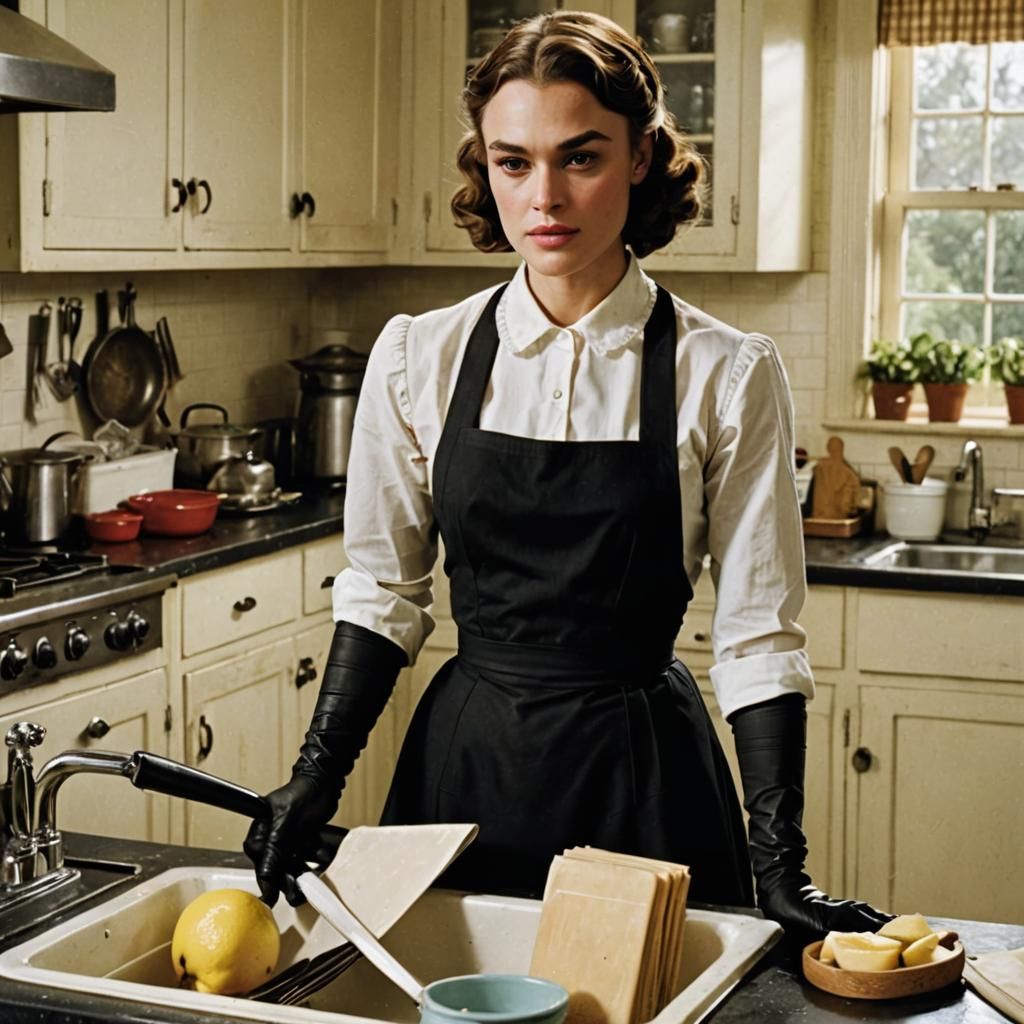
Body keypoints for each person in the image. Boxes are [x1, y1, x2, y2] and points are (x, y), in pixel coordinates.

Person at [244, 10, 890, 939]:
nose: (543, 196)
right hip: (465, 776)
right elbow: (384, 589)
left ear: (640, 157)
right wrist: (316, 774)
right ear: (485, 169)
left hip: (646, 780)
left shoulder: (726, 371)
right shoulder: (417, 356)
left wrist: (781, 867)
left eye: (580, 157)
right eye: (513, 162)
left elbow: (757, 634)